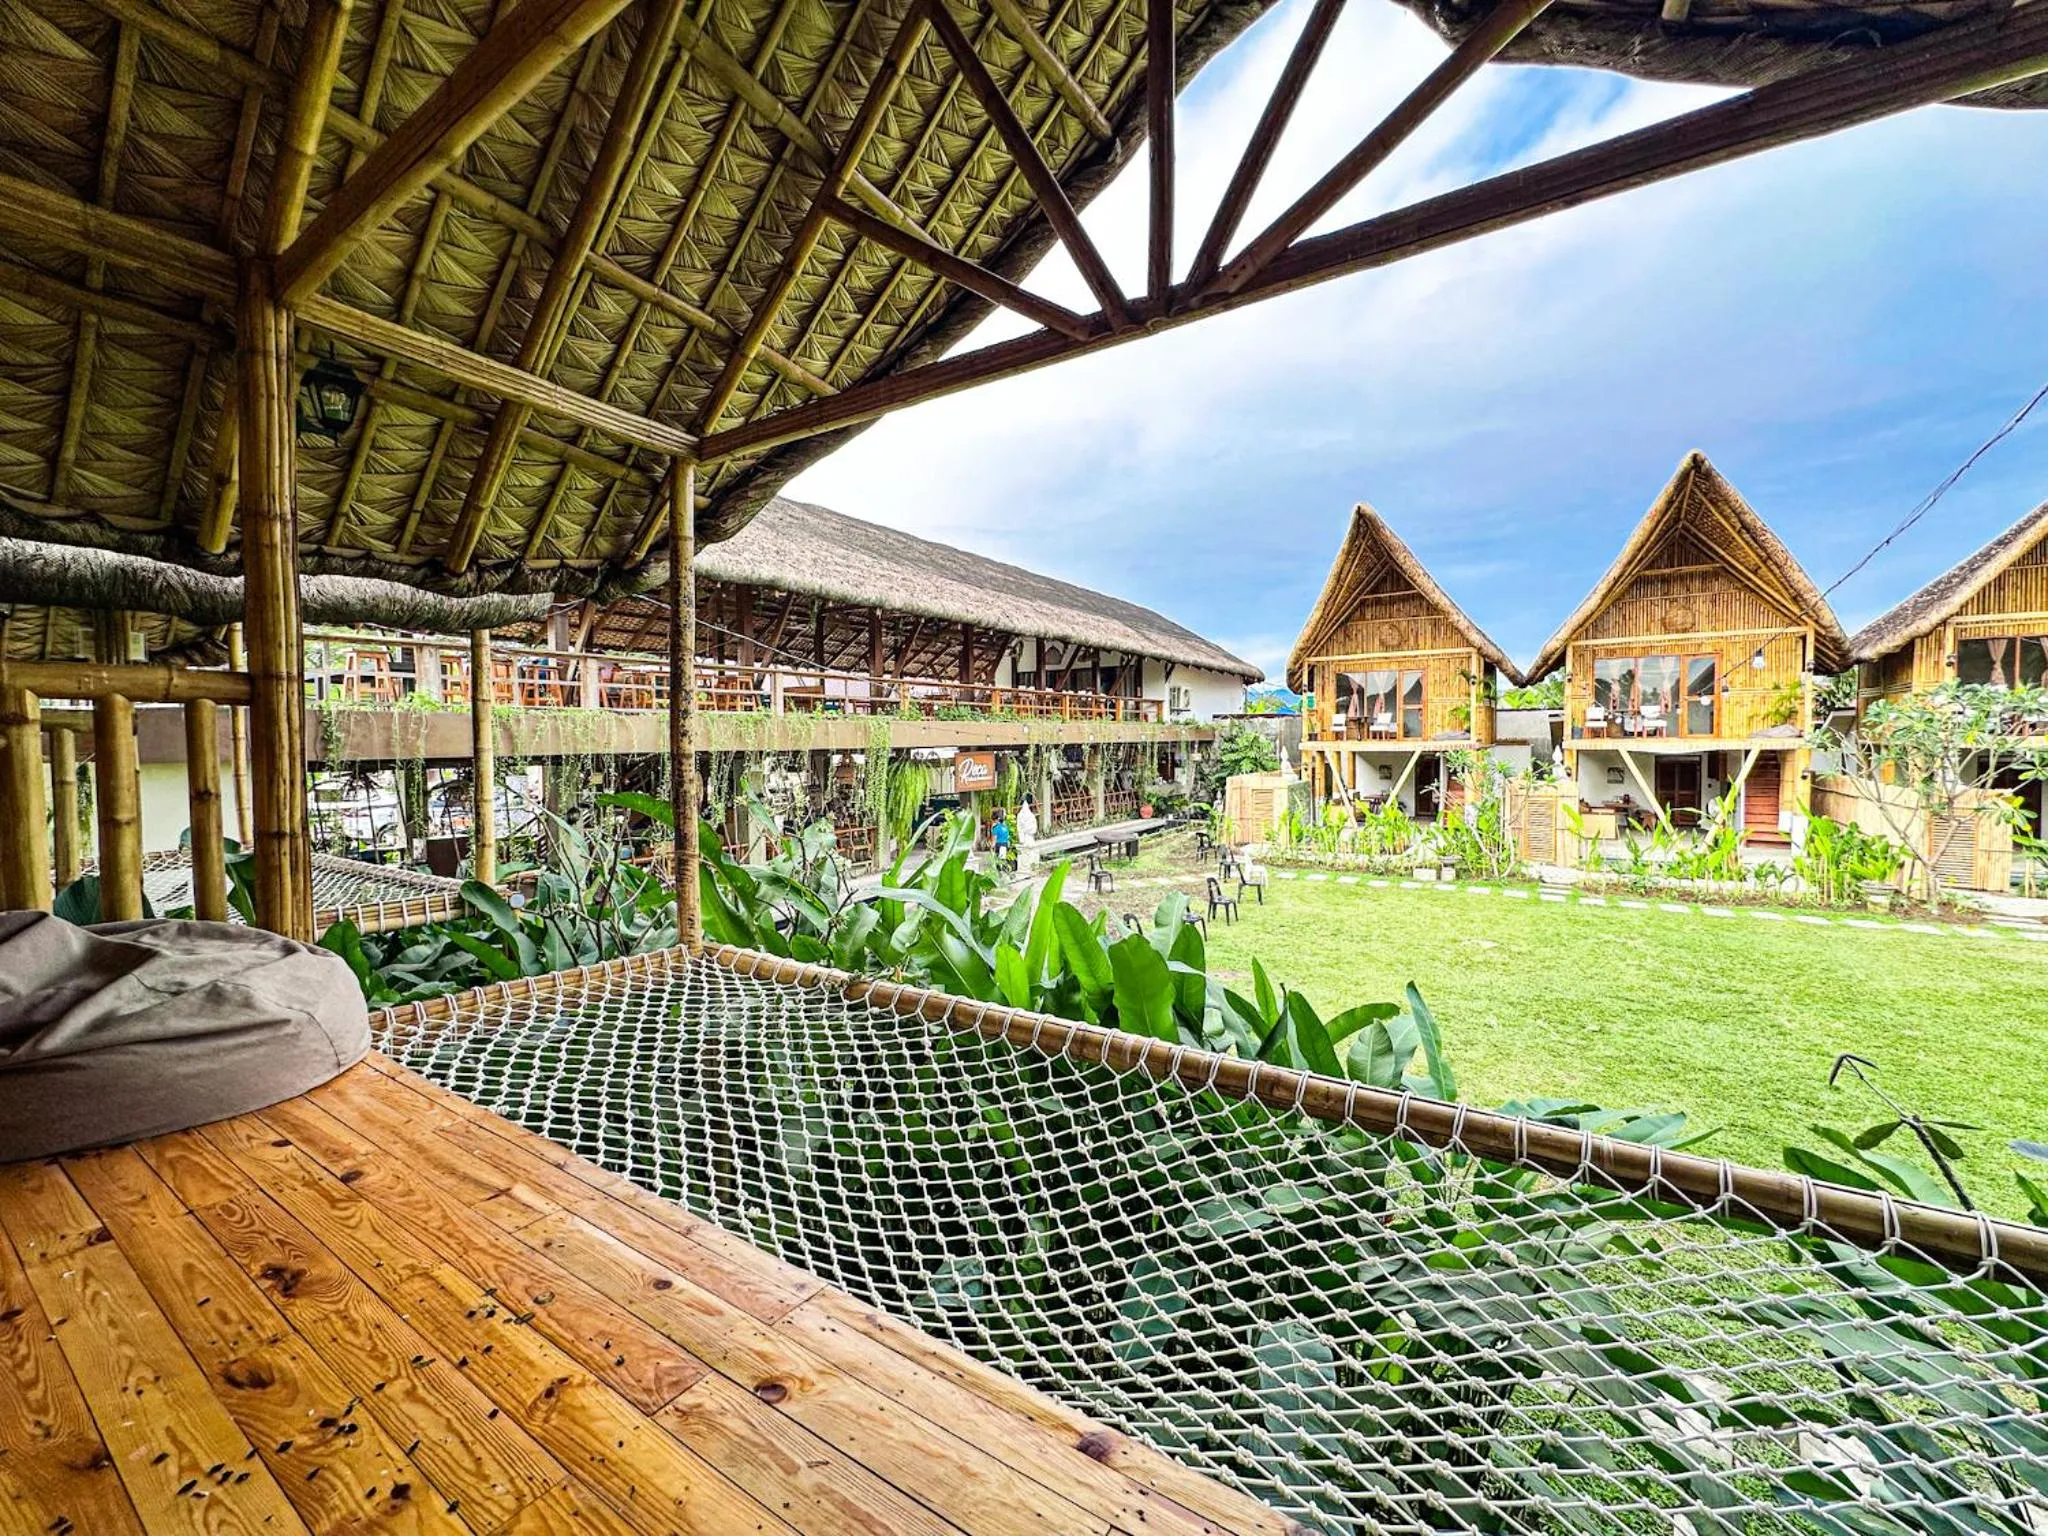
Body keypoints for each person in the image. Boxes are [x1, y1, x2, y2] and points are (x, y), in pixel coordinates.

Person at [1016, 795, 1039, 875]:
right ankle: (1029, 868)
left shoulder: (1020, 816)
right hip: (1028, 836)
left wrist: (1021, 836)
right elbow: (1034, 828)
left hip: (1026, 836)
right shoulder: (1031, 816)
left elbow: (1019, 827)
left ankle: (1028, 868)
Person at [989, 806, 1013, 873]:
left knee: (998, 861)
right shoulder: (1004, 827)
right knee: (1002, 859)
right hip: (1003, 844)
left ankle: (1000, 873)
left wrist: (991, 846)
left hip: (999, 845)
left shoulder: (996, 827)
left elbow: (994, 839)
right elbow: (1006, 837)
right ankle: (1005, 873)